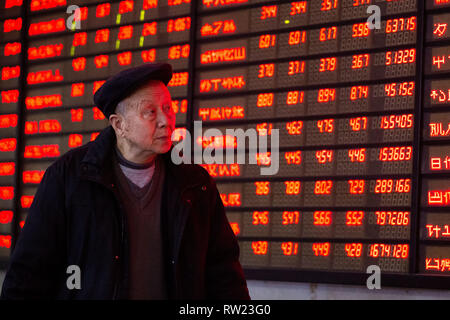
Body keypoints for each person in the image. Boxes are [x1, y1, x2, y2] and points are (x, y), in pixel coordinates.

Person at [1, 63, 250, 300]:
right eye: (150, 112)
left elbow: (224, 274)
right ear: (119, 125)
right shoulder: (69, 179)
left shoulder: (196, 184)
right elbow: (29, 275)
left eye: (168, 108)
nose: (166, 120)